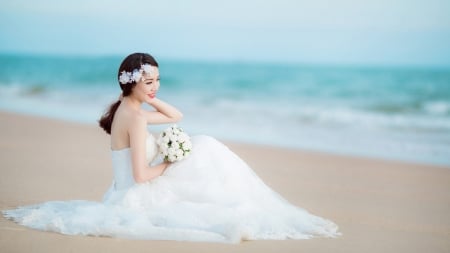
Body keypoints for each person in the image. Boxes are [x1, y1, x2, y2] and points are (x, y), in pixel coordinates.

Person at [3, 53, 340, 243]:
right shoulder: (133, 118)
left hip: (125, 189)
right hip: (138, 193)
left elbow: (176, 115)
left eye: (158, 80)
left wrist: (149, 93)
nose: (155, 86)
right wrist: (167, 160)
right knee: (209, 150)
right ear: (130, 81)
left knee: (207, 146)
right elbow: (141, 174)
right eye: (149, 81)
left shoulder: (127, 109)